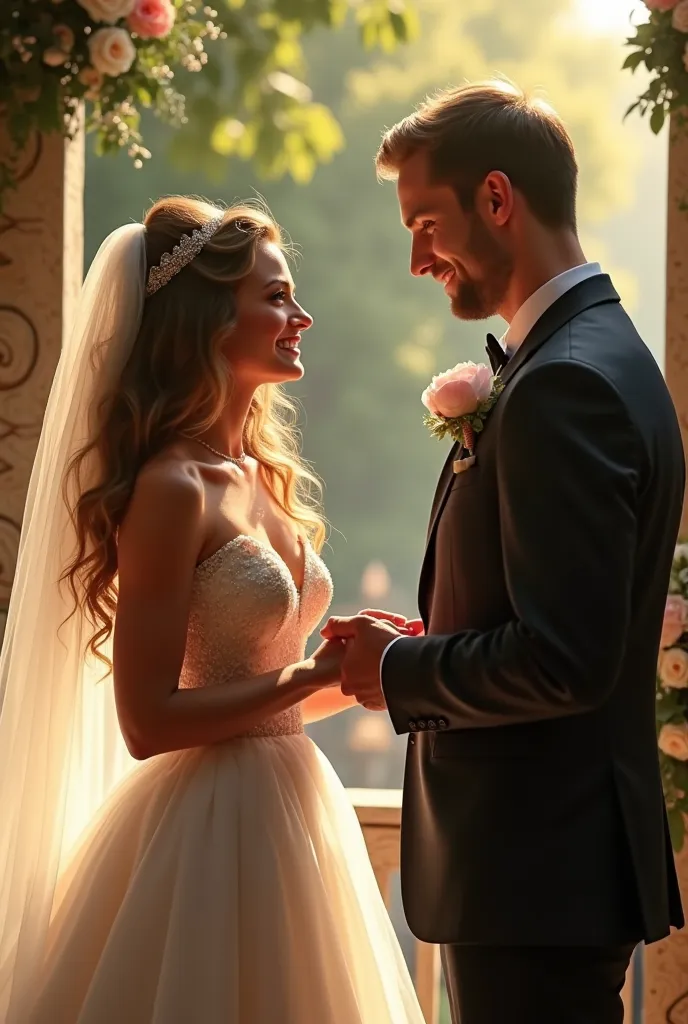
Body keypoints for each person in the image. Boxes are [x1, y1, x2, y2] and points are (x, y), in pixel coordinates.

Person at [0, 196, 425, 1024]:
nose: (300, 315)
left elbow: (279, 700)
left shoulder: (263, 478)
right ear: (204, 318)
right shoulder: (170, 487)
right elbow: (147, 720)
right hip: (203, 838)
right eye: (274, 297)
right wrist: (309, 674)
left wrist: (372, 668)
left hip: (298, 812)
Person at [323, 80, 686, 1024]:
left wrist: (400, 668)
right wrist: (429, 636)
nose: (415, 259)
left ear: (496, 200)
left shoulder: (566, 383)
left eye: (426, 224)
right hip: (544, 877)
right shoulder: (583, 357)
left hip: (536, 873)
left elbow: (564, 659)